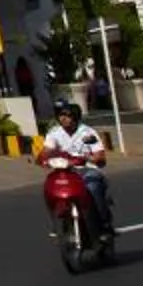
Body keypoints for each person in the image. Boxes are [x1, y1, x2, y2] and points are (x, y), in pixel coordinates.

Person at [38, 100, 112, 235]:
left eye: (68, 115)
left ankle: (103, 222)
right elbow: (47, 150)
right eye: (61, 115)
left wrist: (87, 158)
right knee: (49, 188)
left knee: (93, 187)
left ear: (76, 117)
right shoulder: (54, 133)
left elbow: (100, 157)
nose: (64, 118)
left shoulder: (88, 133)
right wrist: (43, 158)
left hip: (87, 170)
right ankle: (56, 223)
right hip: (64, 171)